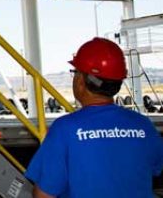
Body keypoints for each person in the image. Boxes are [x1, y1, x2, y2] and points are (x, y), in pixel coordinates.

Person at [25, 37, 163, 198]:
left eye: (75, 72)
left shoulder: (65, 129)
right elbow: (155, 168)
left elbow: (43, 195)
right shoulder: (143, 124)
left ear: (81, 81)